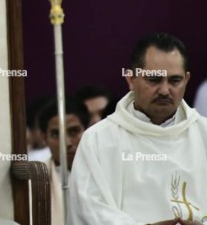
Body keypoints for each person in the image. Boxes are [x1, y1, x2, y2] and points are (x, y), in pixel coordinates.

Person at [69, 33, 207, 225]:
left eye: (174, 80)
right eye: (154, 80)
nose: (165, 90)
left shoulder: (203, 133)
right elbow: (89, 210)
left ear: (187, 80)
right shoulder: (98, 140)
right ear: (131, 79)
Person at [36, 98, 89, 225]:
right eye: (56, 134)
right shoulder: (34, 182)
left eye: (74, 131)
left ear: (88, 131)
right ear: (44, 138)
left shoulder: (107, 171)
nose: (67, 143)